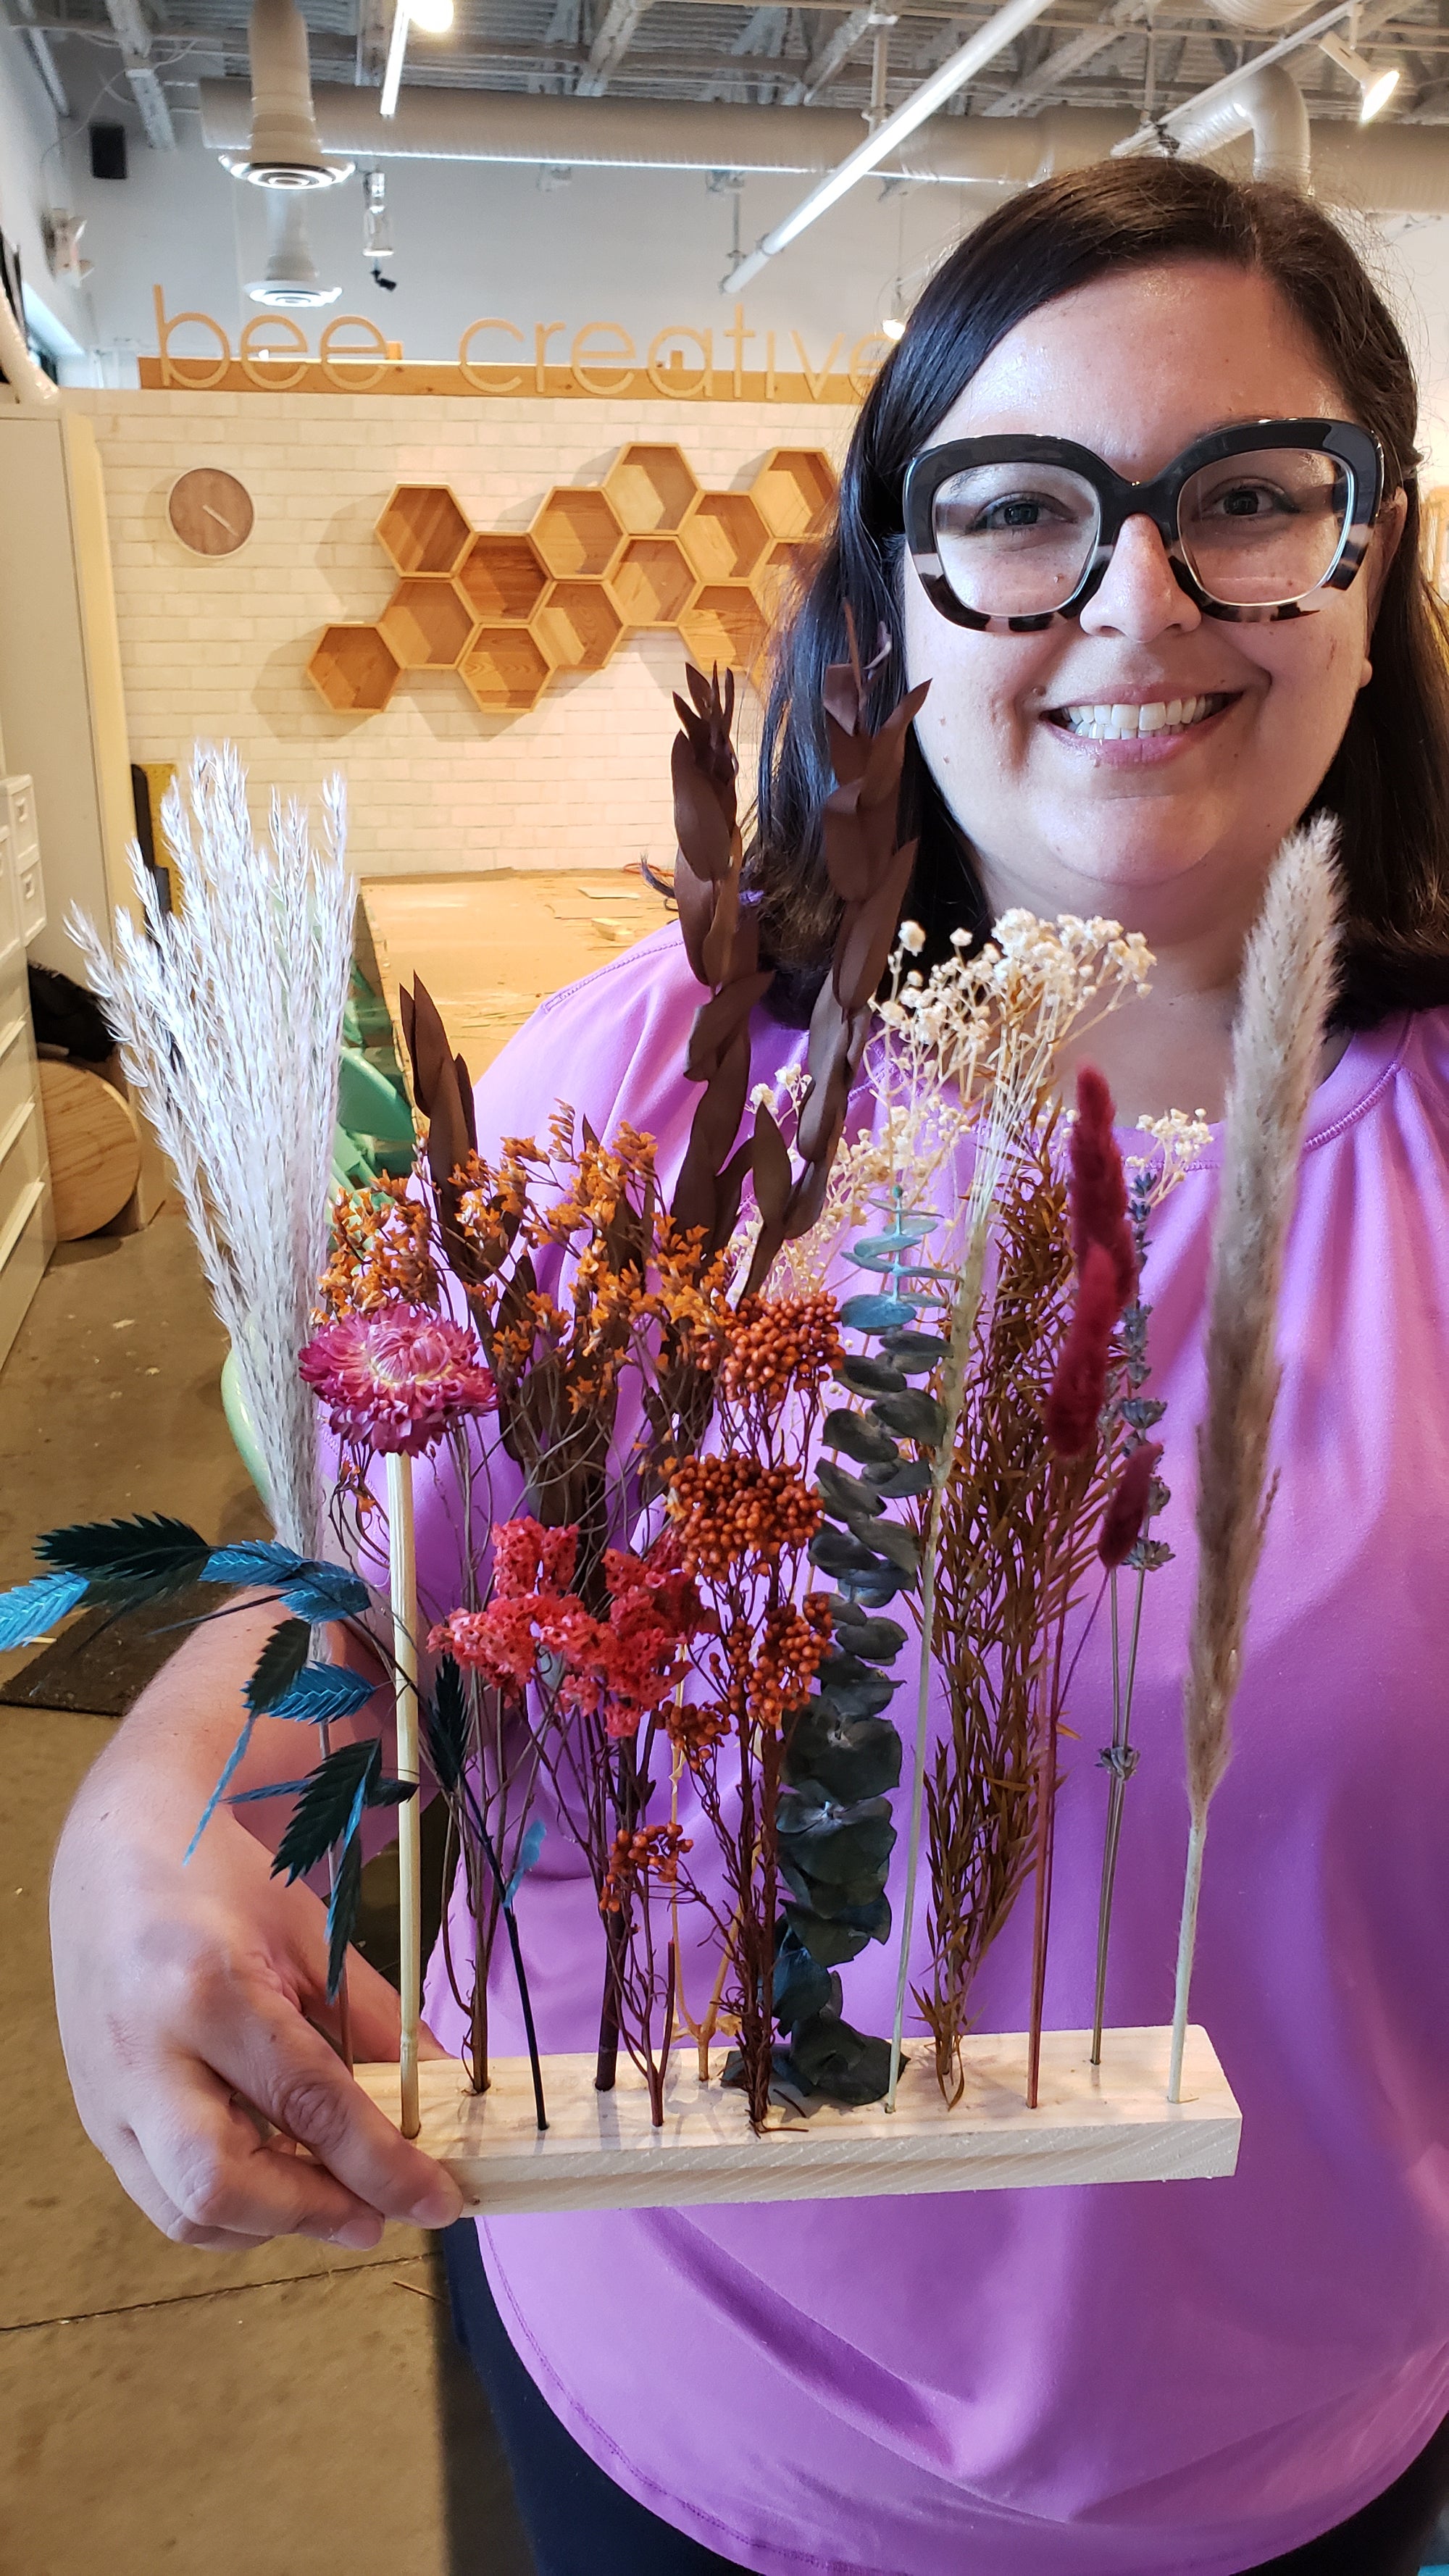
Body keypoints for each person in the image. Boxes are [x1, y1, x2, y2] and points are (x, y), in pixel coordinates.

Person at [48, 157, 1449, 2575]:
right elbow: (376, 1594)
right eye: (1019, 512)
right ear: (898, 586)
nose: (1137, 595)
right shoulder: (653, 1102)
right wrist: (153, 1818)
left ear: (1374, 561)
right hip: (687, 2428)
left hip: (1301, 2460)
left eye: (1247, 498)